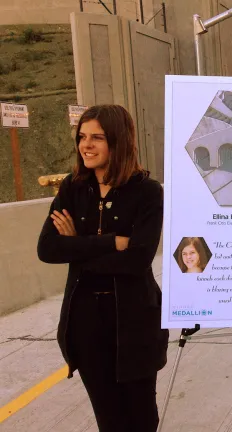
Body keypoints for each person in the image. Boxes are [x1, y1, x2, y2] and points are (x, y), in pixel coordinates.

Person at [37, 105, 168, 431]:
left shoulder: (147, 192)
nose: (86, 145)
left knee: (141, 418)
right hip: (85, 323)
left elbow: (138, 260)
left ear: (119, 141)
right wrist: (111, 242)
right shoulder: (72, 188)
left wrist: (77, 245)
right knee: (109, 419)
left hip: (135, 320)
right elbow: (48, 248)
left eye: (97, 137)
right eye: (82, 137)